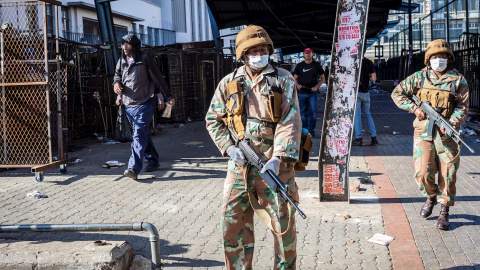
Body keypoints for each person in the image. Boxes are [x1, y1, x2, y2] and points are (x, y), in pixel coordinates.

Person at [205, 25, 301, 269]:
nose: (259, 54)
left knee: (283, 225)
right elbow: (212, 119)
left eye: (263, 49)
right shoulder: (229, 82)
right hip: (239, 167)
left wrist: (278, 157)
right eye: (254, 50)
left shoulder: (282, 79)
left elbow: (290, 121)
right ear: (243, 54)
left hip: (273, 167)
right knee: (232, 223)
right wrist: (228, 147)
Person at [391, 39, 469, 230]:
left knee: (448, 174)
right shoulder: (419, 77)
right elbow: (397, 93)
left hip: (447, 135)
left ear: (448, 58)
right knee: (423, 173)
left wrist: (452, 122)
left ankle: (444, 210)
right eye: (435, 57)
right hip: (424, 133)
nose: (439, 60)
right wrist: (415, 108)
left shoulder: (458, 79)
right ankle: (431, 197)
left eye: (442, 56)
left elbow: (463, 106)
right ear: (429, 59)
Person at [113, 34, 175, 180]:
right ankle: (153, 160)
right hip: (128, 104)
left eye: (127, 44)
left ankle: (133, 168)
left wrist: (167, 96)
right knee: (143, 134)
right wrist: (116, 84)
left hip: (144, 103)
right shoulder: (121, 60)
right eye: (123, 44)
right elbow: (117, 75)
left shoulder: (145, 59)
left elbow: (158, 78)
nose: (124, 47)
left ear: (134, 46)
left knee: (138, 134)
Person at [293, 48, 325, 137]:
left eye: (309, 53)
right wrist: (297, 84)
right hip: (302, 93)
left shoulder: (316, 65)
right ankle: (305, 131)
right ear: (303, 54)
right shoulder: (299, 66)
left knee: (313, 112)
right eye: (306, 53)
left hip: (313, 93)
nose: (307, 55)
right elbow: (294, 78)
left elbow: (323, 78)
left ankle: (311, 130)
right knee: (303, 112)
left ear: (312, 54)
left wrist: (316, 87)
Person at [353, 56, 378, 146]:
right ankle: (374, 137)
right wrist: (367, 78)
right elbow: (374, 78)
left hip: (357, 92)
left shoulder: (353, 60)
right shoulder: (369, 62)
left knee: (357, 116)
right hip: (366, 92)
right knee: (367, 114)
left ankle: (358, 138)